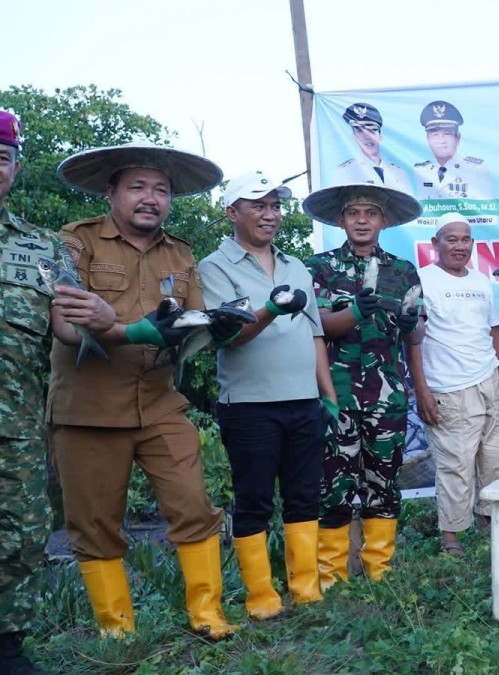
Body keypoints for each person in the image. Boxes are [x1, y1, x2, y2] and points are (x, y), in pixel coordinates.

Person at [49, 142, 241, 638]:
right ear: (111, 192)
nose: (150, 198)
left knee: (194, 506)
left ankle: (207, 614)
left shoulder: (180, 252)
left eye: (161, 189)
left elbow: (192, 321)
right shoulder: (77, 240)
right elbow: (67, 324)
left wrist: (216, 328)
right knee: (95, 526)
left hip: (160, 404)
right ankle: (118, 632)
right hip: (88, 410)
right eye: (137, 187)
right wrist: (132, 330)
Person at [0, 111, 112, 672]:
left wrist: (99, 315)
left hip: (13, 425)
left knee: (18, 537)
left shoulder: (41, 250)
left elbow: (68, 329)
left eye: (0, 158)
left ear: (15, 169)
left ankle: (7, 647)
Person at [198, 171, 336, 619]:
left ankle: (306, 590)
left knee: (304, 496)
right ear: (232, 212)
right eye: (258, 205)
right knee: (254, 498)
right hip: (250, 405)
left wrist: (327, 395)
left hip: (303, 401)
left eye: (275, 205)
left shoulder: (296, 265)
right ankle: (261, 597)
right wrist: (271, 309)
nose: (270, 214)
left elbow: (316, 334)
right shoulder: (213, 267)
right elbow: (229, 337)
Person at [304, 182, 424, 588]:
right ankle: (331, 577)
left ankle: (380, 573)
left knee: (383, 485)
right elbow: (314, 324)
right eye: (354, 213)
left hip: (387, 396)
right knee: (334, 487)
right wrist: (354, 311)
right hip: (335, 396)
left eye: (370, 214)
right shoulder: (317, 267)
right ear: (341, 220)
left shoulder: (402, 270)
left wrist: (411, 323)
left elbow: (415, 330)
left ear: (383, 222)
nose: (361, 220)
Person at [408, 212, 499, 555]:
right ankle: (451, 539)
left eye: (465, 239)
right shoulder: (422, 281)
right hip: (448, 389)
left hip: (488, 383)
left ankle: (488, 526)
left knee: (494, 460)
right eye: (451, 239)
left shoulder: (482, 281)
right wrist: (422, 391)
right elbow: (412, 339)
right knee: (456, 466)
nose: (459, 246)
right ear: (435, 244)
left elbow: (495, 333)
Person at [413, 101, 494, 201]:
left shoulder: (476, 169)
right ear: (428, 139)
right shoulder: (421, 170)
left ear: (458, 138)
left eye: (447, 133)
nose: (441, 140)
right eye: (435, 135)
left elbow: (488, 210)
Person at [329, 102, 415, 192]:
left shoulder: (399, 172)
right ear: (354, 136)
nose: (367, 137)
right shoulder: (344, 171)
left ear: (380, 136)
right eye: (360, 131)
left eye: (372, 130)